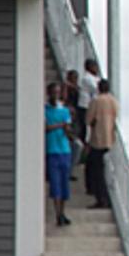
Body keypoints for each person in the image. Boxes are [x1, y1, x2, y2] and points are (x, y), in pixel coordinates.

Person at [44, 84, 75, 228]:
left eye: (57, 92)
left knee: (64, 184)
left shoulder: (64, 110)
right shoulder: (45, 110)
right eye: (53, 92)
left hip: (64, 150)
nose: (55, 95)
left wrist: (68, 131)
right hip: (52, 150)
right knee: (55, 183)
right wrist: (60, 125)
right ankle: (57, 214)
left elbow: (67, 129)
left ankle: (62, 212)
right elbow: (45, 128)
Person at [85, 78, 119, 209]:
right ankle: (105, 198)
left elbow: (88, 119)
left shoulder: (96, 101)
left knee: (96, 170)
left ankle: (100, 198)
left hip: (98, 139)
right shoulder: (113, 101)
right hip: (110, 139)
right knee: (103, 170)